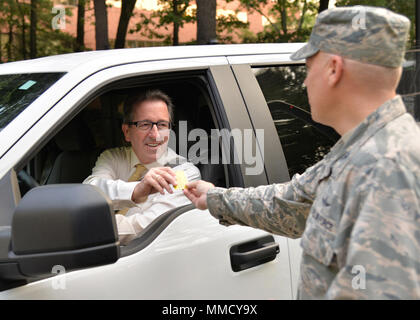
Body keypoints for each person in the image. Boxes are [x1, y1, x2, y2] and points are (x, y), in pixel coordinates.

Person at [184, 6, 420, 299]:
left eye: (308, 69)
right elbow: (291, 202)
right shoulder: (359, 151)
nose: (305, 82)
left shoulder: (387, 167)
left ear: (334, 69)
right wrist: (214, 197)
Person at [84, 89, 200, 245]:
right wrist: (135, 190)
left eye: (162, 125)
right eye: (145, 124)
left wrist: (86, 227)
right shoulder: (113, 157)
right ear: (127, 132)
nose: (155, 134)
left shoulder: (183, 173)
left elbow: (148, 227)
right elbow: (89, 192)